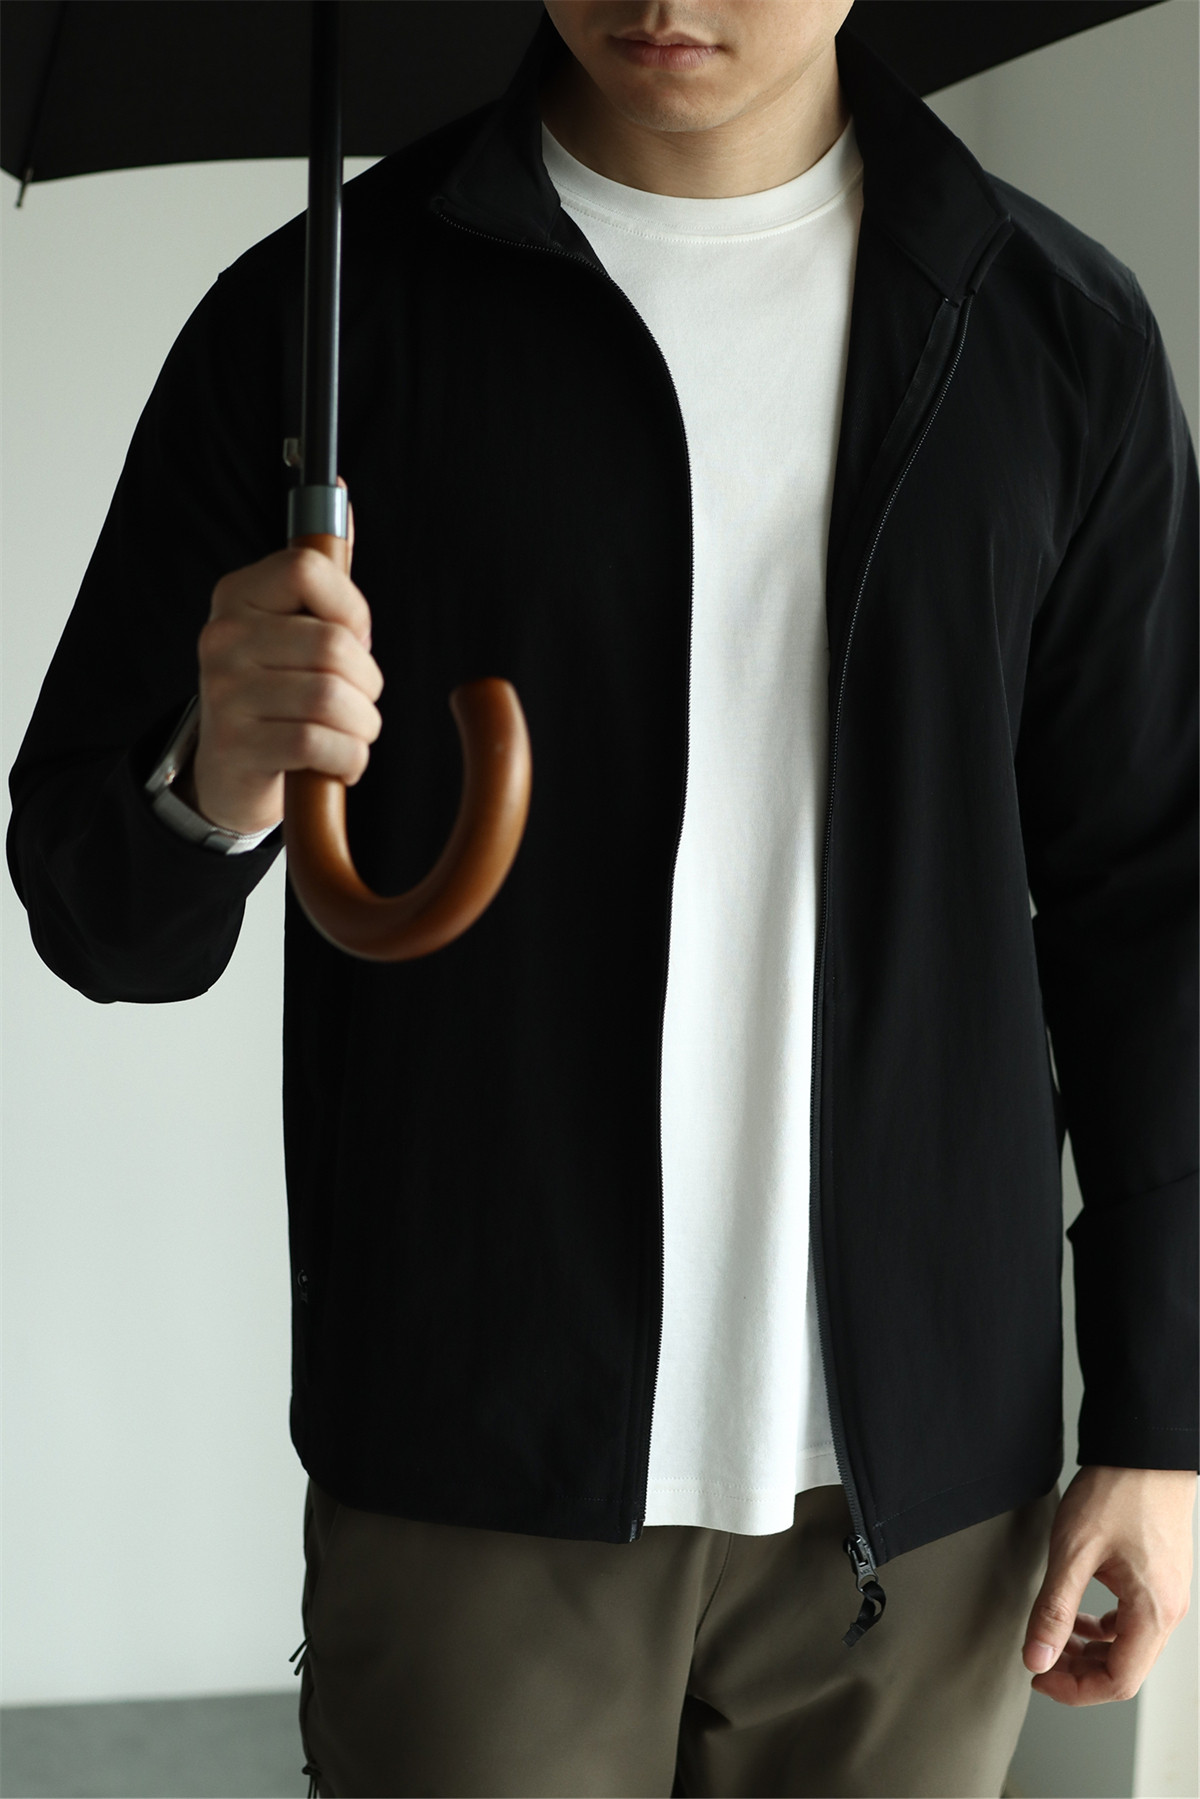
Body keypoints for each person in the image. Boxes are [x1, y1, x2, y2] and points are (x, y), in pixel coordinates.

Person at [7, 2, 1196, 1795]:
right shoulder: (323, 317)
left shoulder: (1050, 331)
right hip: (477, 1461)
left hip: (926, 1493)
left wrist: (1164, 1418)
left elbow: (1154, 907)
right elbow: (100, 917)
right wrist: (218, 772)